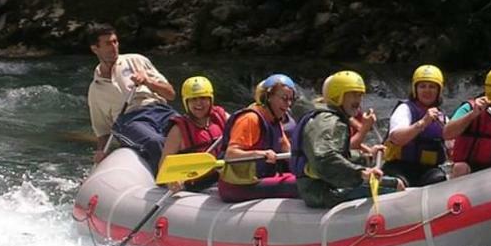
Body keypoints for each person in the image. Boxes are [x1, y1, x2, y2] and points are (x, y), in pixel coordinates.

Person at [292, 70, 402, 209]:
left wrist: (367, 157)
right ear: (338, 95)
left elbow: (339, 154)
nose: (358, 100)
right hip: (322, 191)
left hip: (321, 185)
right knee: (395, 185)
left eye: (360, 95)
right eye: (353, 95)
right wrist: (361, 172)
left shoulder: (327, 117)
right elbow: (324, 158)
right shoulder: (329, 121)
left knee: (389, 181)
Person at [86, 23, 176, 166]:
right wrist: (101, 153)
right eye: (108, 44)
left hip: (159, 110)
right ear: (95, 48)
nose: (114, 47)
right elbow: (103, 132)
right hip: (129, 121)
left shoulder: (136, 60)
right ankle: (168, 181)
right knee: (155, 142)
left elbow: (170, 94)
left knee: (189, 130)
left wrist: (148, 81)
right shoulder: (95, 90)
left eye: (115, 42)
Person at [215, 73, 299, 202]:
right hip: (238, 186)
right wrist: (261, 153)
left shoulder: (275, 120)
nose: (288, 104)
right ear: (268, 97)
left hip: (259, 179)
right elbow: (230, 154)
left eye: (291, 99)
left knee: (305, 181)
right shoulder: (250, 119)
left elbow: (289, 151)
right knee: (296, 185)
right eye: (284, 98)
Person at [158, 75, 229, 191]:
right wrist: (171, 180)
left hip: (221, 175)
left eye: (203, 98)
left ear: (210, 100)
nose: (198, 103)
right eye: (193, 99)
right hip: (196, 184)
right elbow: (164, 163)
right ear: (186, 102)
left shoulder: (221, 117)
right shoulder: (178, 130)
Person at [382, 64, 448, 187]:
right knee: (398, 183)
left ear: (439, 91)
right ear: (415, 89)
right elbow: (397, 138)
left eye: (432, 87)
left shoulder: (442, 118)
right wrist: (423, 122)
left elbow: (451, 148)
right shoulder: (404, 109)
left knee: (439, 178)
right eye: (422, 86)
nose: (427, 91)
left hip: (427, 170)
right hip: (399, 167)